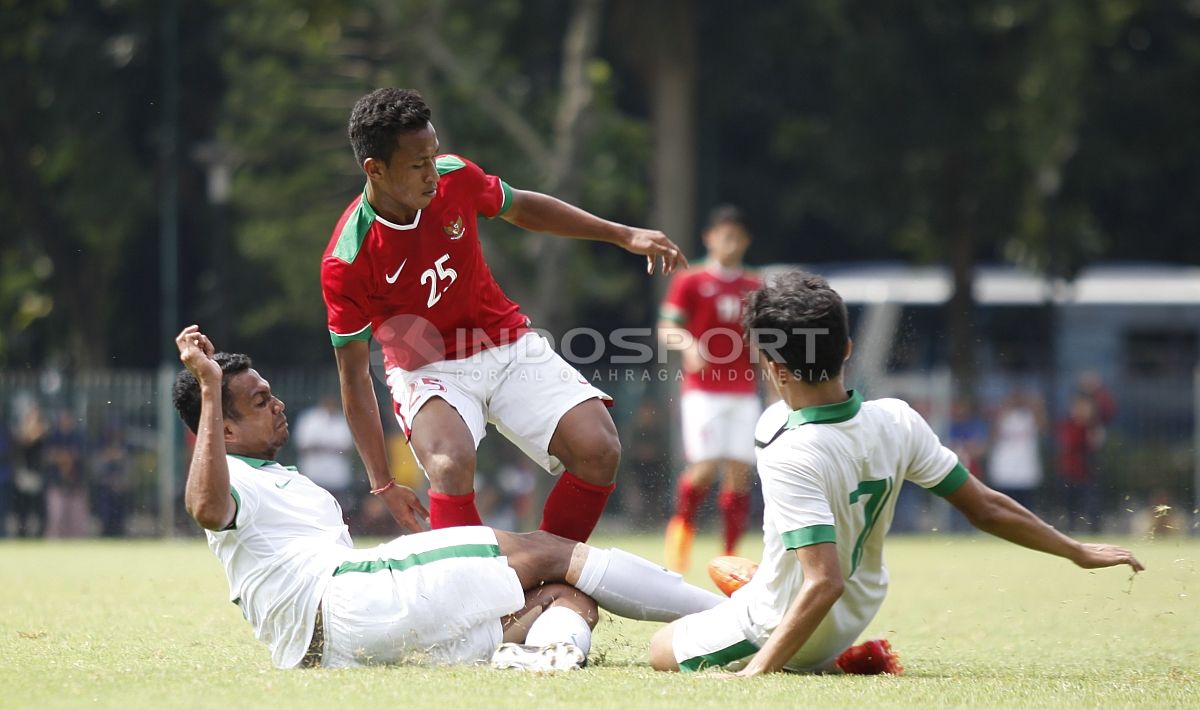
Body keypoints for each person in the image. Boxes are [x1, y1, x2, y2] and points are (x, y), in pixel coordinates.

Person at [648, 271, 1143, 676]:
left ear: (774, 369)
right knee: (758, 578)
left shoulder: (780, 437)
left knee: (659, 647)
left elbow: (823, 583)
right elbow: (987, 507)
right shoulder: (899, 418)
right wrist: (1075, 550)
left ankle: (799, 641)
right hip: (855, 614)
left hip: (789, 627)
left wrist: (754, 676)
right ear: (845, 349)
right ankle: (791, 613)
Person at [171, 325, 722, 670]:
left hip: (345, 649)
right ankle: (737, 618)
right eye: (262, 401)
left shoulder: (272, 474)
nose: (279, 404)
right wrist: (212, 387)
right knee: (550, 552)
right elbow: (206, 508)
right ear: (224, 430)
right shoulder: (231, 477)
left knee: (567, 598)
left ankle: (539, 662)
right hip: (347, 600)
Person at [322, 88, 686, 541]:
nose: (434, 174)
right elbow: (354, 378)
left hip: (507, 342)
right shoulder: (348, 259)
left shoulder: (456, 178)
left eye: (434, 158)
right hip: (429, 369)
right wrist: (382, 482)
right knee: (449, 463)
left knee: (599, 448)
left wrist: (623, 234)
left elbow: (524, 208)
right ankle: (482, 599)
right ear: (374, 169)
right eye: (418, 165)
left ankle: (550, 577)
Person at [658, 205, 761, 571]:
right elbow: (667, 327)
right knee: (703, 466)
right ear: (709, 238)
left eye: (736, 236)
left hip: (744, 391)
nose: (729, 242)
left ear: (746, 241)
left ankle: (730, 556)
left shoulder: (755, 285)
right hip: (703, 390)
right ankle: (680, 534)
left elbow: (763, 339)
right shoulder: (691, 280)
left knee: (739, 470)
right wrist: (688, 345)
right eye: (723, 235)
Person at [293, 395, 356, 520]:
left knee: (336, 505)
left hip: (336, 473)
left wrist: (322, 447)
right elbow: (302, 446)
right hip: (314, 471)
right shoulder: (310, 419)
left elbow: (349, 448)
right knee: (312, 504)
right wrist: (330, 448)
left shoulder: (342, 421)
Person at [987, 390, 1046, 512]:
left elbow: (1042, 427)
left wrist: (1036, 407)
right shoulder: (1002, 418)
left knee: (1025, 508)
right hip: (1004, 471)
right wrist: (1002, 412)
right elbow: (993, 436)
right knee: (1004, 507)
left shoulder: (1029, 416)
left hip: (1025, 471)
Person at [1056, 393, 1104, 532]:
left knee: (1092, 505)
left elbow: (1095, 444)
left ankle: (1095, 531)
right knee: (1070, 506)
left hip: (1087, 472)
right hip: (1069, 471)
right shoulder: (1067, 424)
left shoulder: (1093, 426)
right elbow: (1069, 444)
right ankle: (1071, 530)